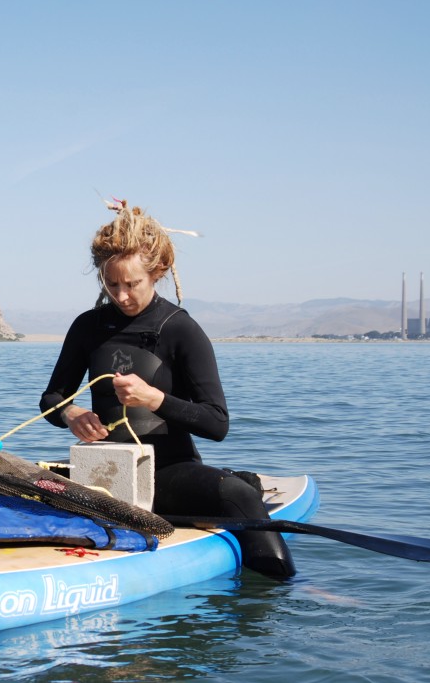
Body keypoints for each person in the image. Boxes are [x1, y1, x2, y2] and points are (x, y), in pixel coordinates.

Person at [40, 200, 295, 578]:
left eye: (133, 284)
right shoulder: (87, 327)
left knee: (239, 495)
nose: (122, 295)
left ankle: (287, 586)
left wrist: (155, 399)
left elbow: (217, 423)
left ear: (157, 273)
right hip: (104, 477)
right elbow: (51, 399)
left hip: (170, 472)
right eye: (112, 284)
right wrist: (70, 413)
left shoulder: (180, 329)